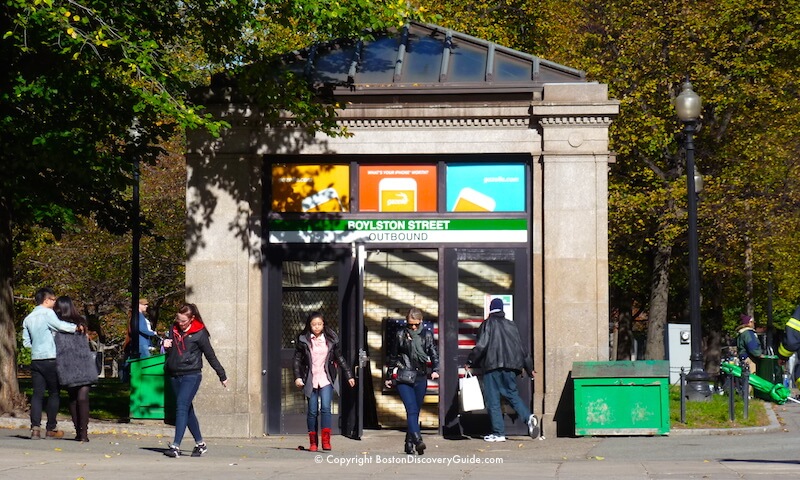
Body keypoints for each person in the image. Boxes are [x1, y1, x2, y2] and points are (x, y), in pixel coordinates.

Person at [465, 298, 538, 442]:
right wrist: (530, 369)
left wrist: (470, 361)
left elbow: (481, 346)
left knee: (493, 400)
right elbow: (522, 349)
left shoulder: (487, 324)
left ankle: (498, 433)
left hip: (492, 366)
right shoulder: (511, 325)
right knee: (512, 395)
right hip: (511, 367)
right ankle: (528, 417)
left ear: (490, 309)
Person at [162, 303, 228, 458]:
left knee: (181, 406)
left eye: (183, 321)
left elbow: (210, 355)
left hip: (191, 375)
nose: (180, 323)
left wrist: (222, 375)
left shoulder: (200, 333)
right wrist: (165, 344)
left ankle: (175, 446)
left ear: (192, 319)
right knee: (187, 409)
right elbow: (169, 345)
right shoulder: (174, 328)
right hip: (173, 374)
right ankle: (200, 444)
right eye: (178, 320)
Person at [21, 287, 82, 440]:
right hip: (51, 357)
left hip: (36, 359)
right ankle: (51, 427)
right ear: (46, 300)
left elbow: (26, 343)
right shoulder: (48, 313)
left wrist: (37, 345)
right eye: (53, 300)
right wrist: (77, 328)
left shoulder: (28, 318)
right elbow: (60, 326)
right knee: (54, 393)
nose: (55, 303)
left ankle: (35, 428)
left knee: (37, 394)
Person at [292, 312, 356, 452]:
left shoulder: (331, 339)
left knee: (326, 408)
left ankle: (326, 441)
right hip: (310, 378)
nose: (316, 327)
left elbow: (340, 358)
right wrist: (297, 377)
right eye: (314, 324)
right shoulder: (304, 340)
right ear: (309, 325)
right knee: (312, 411)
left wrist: (349, 375)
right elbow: (296, 360)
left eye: (319, 324)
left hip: (326, 378)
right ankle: (313, 443)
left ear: (323, 324)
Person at [384, 307, 439, 455]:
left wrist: (435, 369)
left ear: (421, 321)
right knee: (411, 410)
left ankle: (408, 444)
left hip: (420, 377)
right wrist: (389, 376)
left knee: (415, 412)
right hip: (404, 377)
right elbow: (393, 356)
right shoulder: (400, 334)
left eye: (416, 324)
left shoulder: (426, 335)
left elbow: (433, 352)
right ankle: (417, 440)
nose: (413, 327)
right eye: (410, 324)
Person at [53, 296, 98, 442]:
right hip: (83, 361)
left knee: (73, 398)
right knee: (82, 398)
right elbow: (85, 340)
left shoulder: (55, 323)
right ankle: (83, 433)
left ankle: (79, 431)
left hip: (66, 363)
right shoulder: (81, 322)